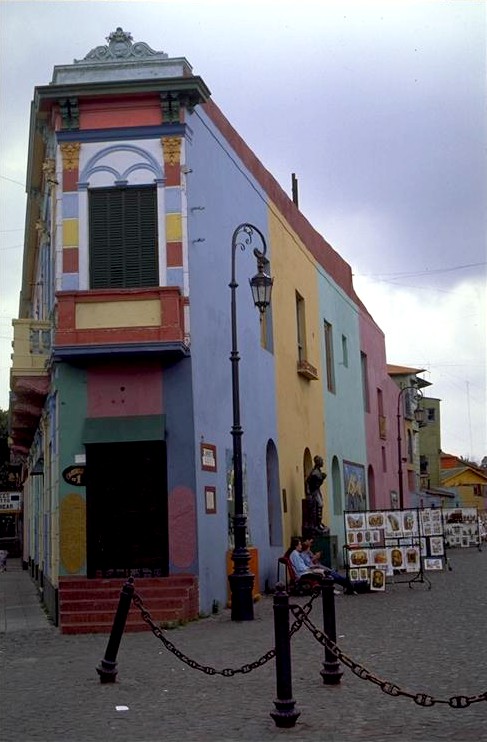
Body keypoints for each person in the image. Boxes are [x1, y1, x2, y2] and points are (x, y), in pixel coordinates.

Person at [286, 538, 355, 595]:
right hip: (303, 573)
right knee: (324, 573)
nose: (300, 546)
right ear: (296, 546)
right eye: (299, 544)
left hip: (305, 571)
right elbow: (300, 568)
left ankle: (348, 585)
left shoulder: (296, 553)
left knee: (327, 572)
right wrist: (311, 568)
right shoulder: (295, 554)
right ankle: (342, 586)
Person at [306, 456, 328, 534]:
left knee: (320, 504)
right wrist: (308, 492)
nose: (323, 462)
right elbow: (309, 482)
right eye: (322, 461)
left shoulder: (317, 471)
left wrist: (322, 478)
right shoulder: (315, 472)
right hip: (314, 491)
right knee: (319, 505)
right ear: (318, 462)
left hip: (316, 490)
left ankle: (319, 523)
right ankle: (317, 524)